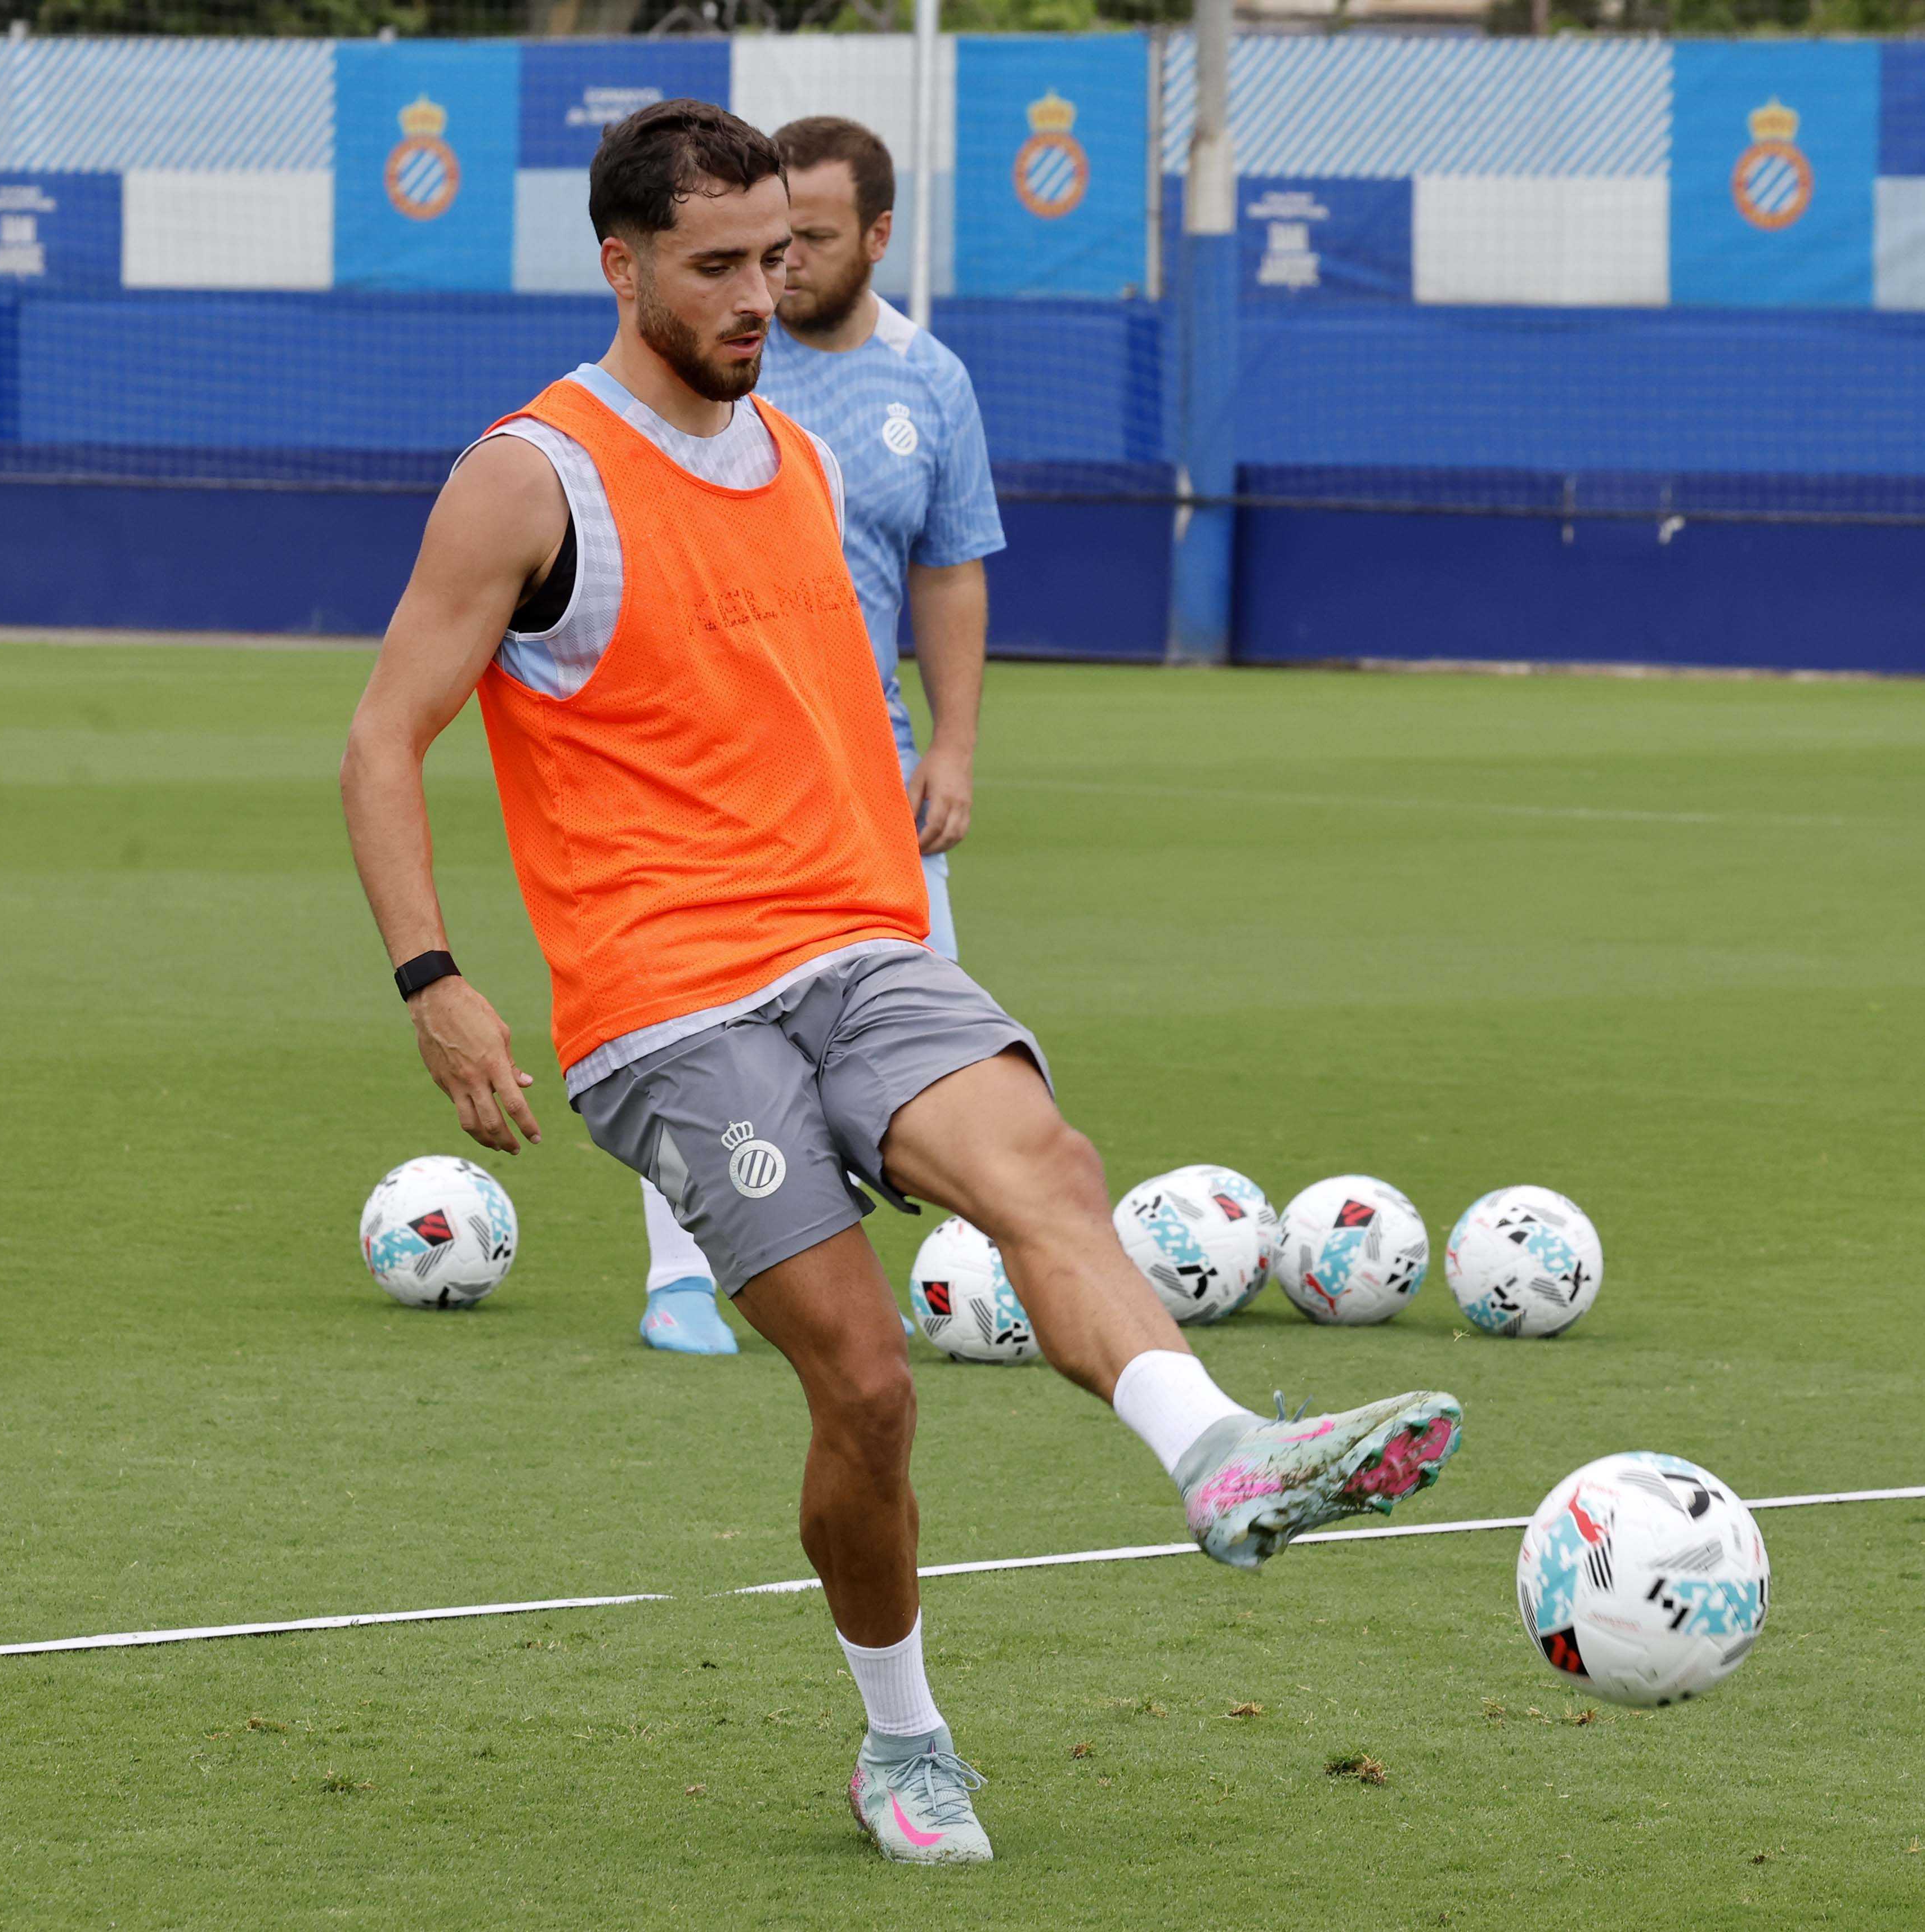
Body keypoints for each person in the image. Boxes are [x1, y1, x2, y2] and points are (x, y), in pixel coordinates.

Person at [339, 100, 1461, 1868]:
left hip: (860, 949)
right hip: (668, 1008)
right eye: (714, 266)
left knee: (1047, 1170)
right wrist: (433, 979)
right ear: (619, 265)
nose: (755, 296)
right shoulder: (529, 479)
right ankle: (903, 1740)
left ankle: (1222, 1457)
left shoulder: (793, 455)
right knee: (867, 1384)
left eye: (775, 258)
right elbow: (381, 739)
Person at [633, 113, 1000, 1358]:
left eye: (808, 243)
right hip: (716, 761)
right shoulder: (719, 358)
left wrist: (952, 747)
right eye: (760, 247)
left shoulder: (930, 381)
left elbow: (950, 568)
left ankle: (850, 1275)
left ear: (878, 238)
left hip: (871, 767)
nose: (777, 272)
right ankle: (682, 1279)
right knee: (700, 1011)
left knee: (907, 1034)